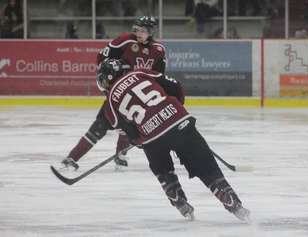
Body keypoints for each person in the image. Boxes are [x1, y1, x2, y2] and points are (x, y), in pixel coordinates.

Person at [95, 57, 251, 221]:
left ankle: (176, 196)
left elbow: (126, 130)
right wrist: (176, 110)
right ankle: (228, 197)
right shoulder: (140, 73)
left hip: (152, 137)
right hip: (178, 121)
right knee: (205, 164)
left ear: (108, 78)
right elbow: (175, 86)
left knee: (161, 167)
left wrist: (139, 141)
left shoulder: (110, 103)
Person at [61, 16, 167, 170]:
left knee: (128, 128)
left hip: (139, 97)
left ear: (151, 32)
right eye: (137, 29)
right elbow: (101, 59)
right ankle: (72, 158)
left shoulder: (159, 50)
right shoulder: (125, 41)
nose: (138, 33)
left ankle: (120, 154)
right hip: (119, 92)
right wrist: (109, 80)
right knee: (100, 126)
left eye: (143, 31)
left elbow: (159, 77)